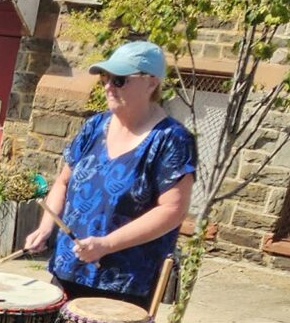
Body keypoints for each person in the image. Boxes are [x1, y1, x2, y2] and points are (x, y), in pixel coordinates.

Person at [22, 40, 196, 301]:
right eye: (105, 77)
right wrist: (46, 227)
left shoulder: (171, 140)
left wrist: (106, 245)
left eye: (119, 80)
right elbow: (63, 183)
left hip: (124, 283)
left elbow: (172, 211)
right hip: (68, 270)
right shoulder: (94, 126)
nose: (107, 86)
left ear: (151, 83)